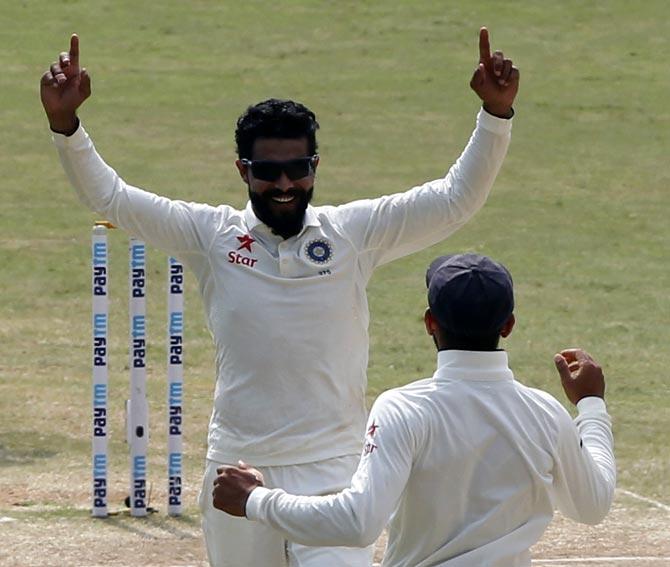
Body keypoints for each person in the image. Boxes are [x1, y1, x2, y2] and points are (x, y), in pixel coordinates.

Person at [41, 27, 519, 566]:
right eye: (268, 172)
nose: (285, 183)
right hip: (237, 468)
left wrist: (494, 117)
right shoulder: (211, 236)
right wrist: (66, 126)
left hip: (334, 471)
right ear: (243, 169)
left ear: (317, 166)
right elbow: (111, 197)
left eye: (299, 168)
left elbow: (454, 200)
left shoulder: (351, 234)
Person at [212, 253, 616, 567]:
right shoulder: (545, 412)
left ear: (429, 322)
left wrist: (255, 499)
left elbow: (358, 521)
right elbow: (593, 505)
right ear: (508, 325)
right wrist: (592, 406)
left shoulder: (403, 409)